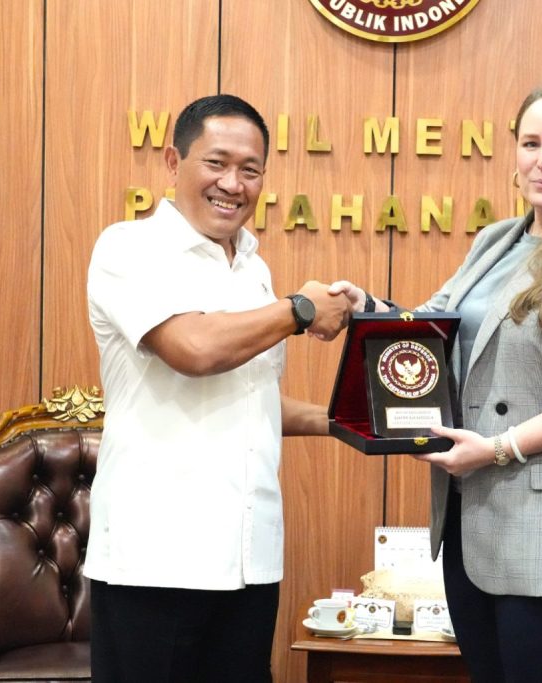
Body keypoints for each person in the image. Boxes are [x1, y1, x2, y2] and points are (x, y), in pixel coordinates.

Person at [331, 84, 542, 682]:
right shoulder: (497, 241)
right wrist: (368, 309)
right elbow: (434, 330)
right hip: (475, 518)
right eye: (531, 143)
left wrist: (499, 448)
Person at [85, 94, 350, 683]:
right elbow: (194, 350)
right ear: (172, 162)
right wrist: (300, 309)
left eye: (250, 170)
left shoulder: (253, 268)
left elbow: (252, 398)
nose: (233, 184)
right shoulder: (128, 248)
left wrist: (347, 420)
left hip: (249, 559)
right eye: (217, 163)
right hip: (155, 562)